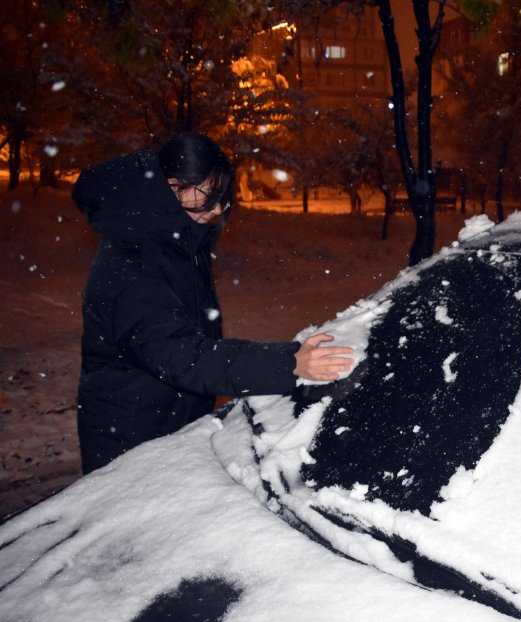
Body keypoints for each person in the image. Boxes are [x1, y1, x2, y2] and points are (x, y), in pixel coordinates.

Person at [73, 132, 352, 473]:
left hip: (169, 425)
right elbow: (183, 355)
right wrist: (288, 363)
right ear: (174, 186)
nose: (218, 209)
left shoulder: (175, 240)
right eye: (208, 195)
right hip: (132, 441)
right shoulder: (132, 263)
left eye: (221, 196)